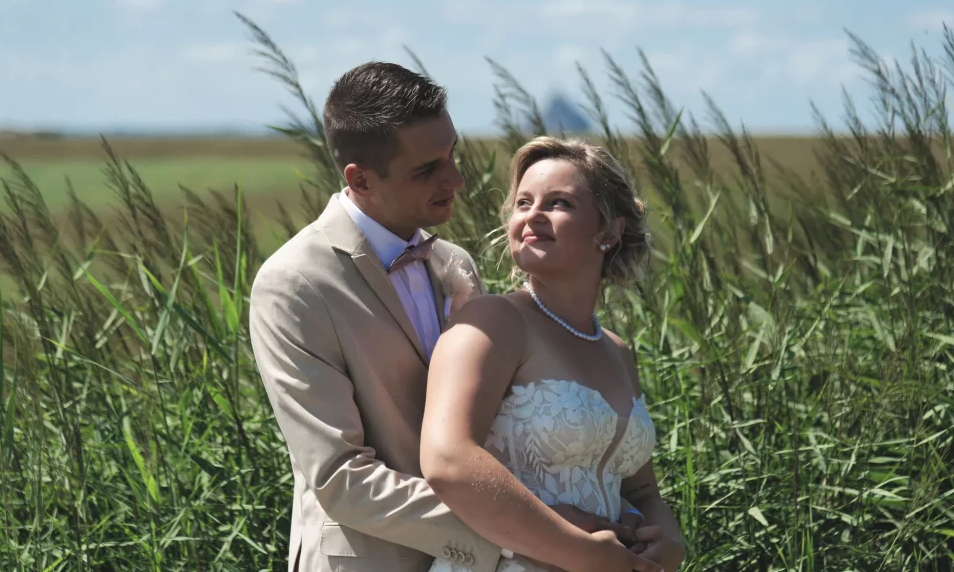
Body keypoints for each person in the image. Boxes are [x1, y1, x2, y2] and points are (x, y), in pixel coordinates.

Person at [249, 62, 651, 572]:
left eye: (452, 154)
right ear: (360, 178)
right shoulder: (295, 283)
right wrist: (540, 533)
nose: (456, 179)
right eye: (427, 169)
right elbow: (340, 478)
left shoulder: (453, 262)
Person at [420, 137, 686, 572]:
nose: (532, 216)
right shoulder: (494, 321)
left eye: (559, 203)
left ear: (610, 231)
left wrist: (670, 539)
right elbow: (449, 461)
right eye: (523, 202)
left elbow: (639, 493)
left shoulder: (617, 351)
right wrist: (579, 552)